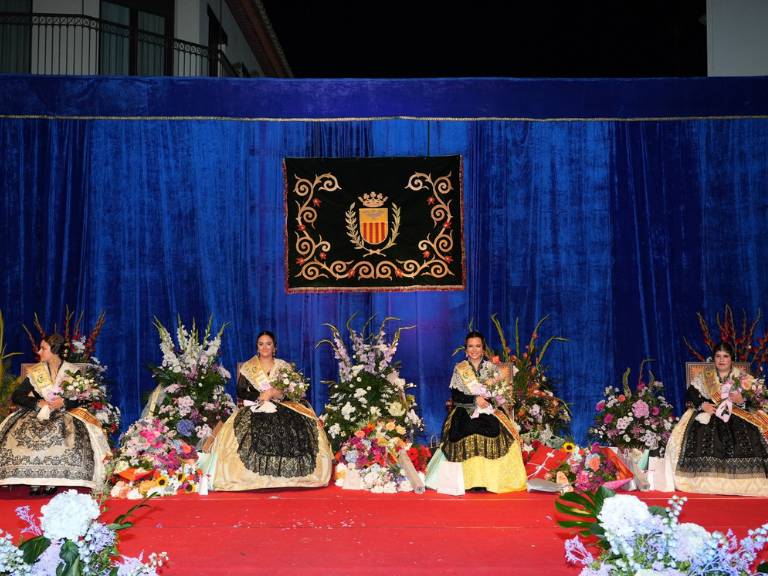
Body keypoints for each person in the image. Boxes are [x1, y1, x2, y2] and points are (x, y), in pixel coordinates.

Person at [209, 331, 332, 490]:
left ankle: (293, 476)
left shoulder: (283, 366)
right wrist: (261, 396)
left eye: (268, 343)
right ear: (257, 347)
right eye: (261, 344)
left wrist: (276, 393)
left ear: (275, 347)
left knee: (296, 426)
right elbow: (241, 391)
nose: (265, 347)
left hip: (283, 405)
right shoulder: (249, 367)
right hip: (256, 405)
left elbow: (292, 390)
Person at [0, 334, 110, 494]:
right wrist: (37, 403)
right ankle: (34, 480)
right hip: (37, 413)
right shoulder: (36, 372)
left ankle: (52, 480)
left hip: (64, 414)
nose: (39, 351)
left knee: (63, 432)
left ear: (55, 350)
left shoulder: (72, 371)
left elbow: (80, 398)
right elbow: (17, 396)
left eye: (43, 348)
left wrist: (64, 403)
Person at [425, 331, 527, 495]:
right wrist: (475, 400)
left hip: (489, 411)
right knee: (463, 431)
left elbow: (501, 395)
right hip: (464, 410)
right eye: (470, 346)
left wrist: (488, 400)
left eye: (477, 346)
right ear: (466, 349)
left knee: (494, 432)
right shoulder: (460, 369)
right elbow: (456, 396)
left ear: (483, 348)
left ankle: (488, 481)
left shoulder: (492, 369)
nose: (474, 350)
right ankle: (468, 481)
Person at [665, 341, 768, 496]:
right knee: (701, 433)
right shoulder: (706, 376)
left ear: (731, 359)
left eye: (725, 356)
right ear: (713, 358)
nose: (721, 360)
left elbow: (759, 397)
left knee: (750, 435)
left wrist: (742, 400)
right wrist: (702, 404)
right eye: (718, 356)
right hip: (711, 413)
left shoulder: (742, 377)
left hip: (738, 414)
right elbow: (691, 393)